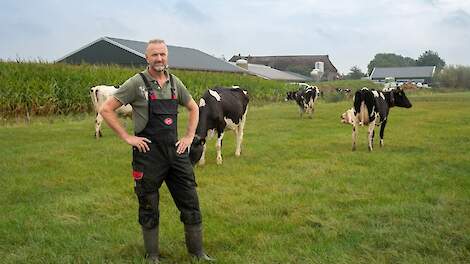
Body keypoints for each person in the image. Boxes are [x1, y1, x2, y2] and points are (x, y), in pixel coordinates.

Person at [100, 39, 213, 263]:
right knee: (148, 204)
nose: (159, 59)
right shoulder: (136, 83)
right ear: (147, 58)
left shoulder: (174, 83)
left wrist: (189, 137)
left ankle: (197, 253)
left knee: (190, 200)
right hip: (148, 156)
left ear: (167, 56)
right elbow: (106, 108)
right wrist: (127, 137)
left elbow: (192, 107)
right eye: (154, 55)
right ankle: (152, 256)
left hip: (175, 153)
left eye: (162, 54)